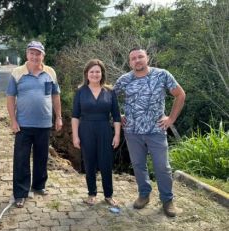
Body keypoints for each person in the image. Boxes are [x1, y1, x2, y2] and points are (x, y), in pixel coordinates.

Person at [113, 47, 186, 217]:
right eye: (133, 58)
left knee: (162, 167)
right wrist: (118, 115)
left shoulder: (162, 75)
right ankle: (144, 195)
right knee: (138, 165)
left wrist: (171, 119)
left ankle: (167, 200)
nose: (137, 60)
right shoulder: (124, 80)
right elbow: (108, 98)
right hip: (132, 131)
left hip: (156, 130)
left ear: (147, 58)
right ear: (129, 62)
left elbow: (180, 95)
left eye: (140, 57)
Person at [6, 41, 63, 208]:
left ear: (42, 56)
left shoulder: (50, 72)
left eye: (38, 53)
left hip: (44, 124)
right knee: (21, 159)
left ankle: (39, 186)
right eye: (32, 53)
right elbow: (10, 98)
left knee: (41, 157)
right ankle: (21, 193)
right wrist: (13, 120)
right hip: (23, 124)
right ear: (27, 55)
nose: (35, 56)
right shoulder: (17, 73)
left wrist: (58, 117)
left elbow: (55, 96)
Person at [71, 59, 121, 206]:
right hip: (85, 129)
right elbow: (75, 116)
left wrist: (117, 135)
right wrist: (75, 136)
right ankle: (91, 193)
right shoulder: (80, 92)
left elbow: (116, 116)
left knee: (106, 162)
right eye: (91, 71)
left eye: (97, 71)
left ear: (102, 74)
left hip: (105, 129)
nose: (95, 74)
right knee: (89, 162)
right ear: (87, 74)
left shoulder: (110, 92)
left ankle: (108, 195)